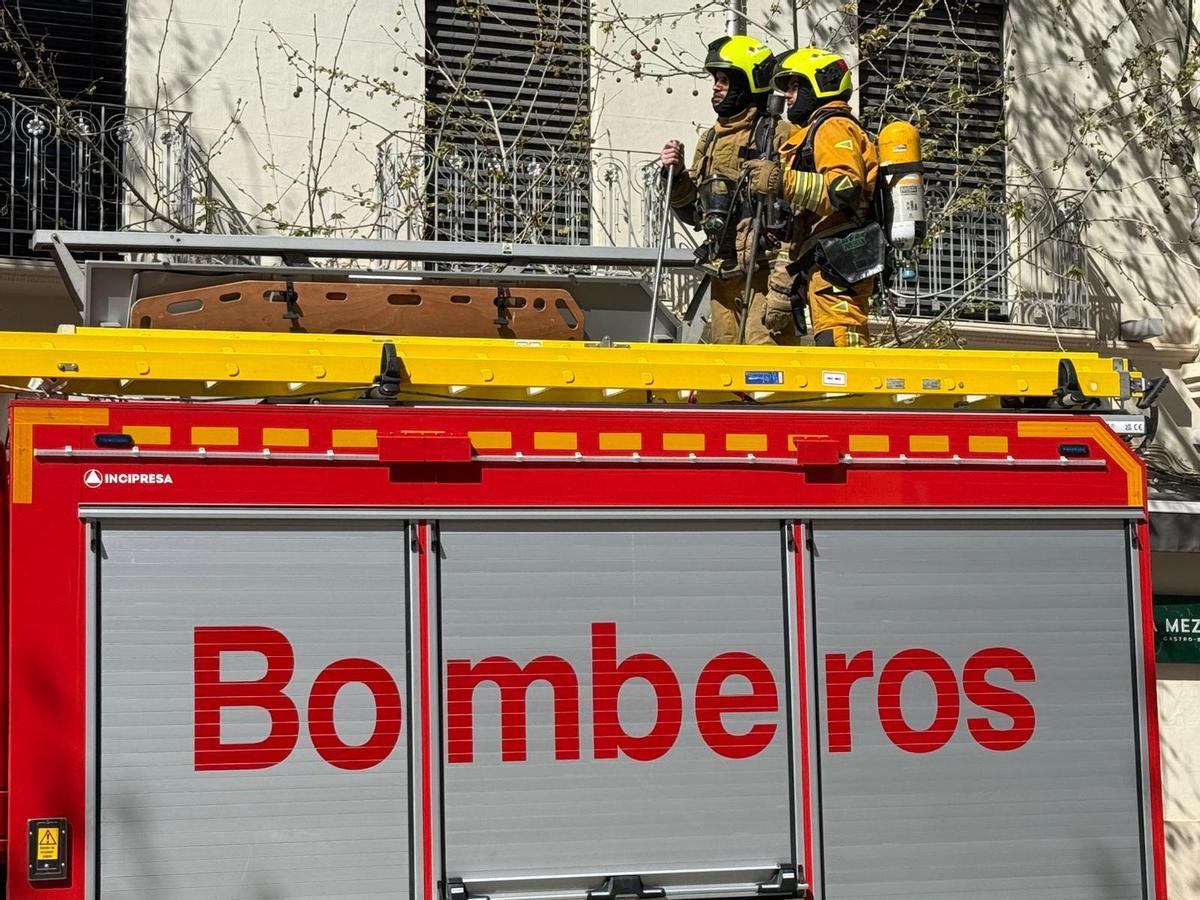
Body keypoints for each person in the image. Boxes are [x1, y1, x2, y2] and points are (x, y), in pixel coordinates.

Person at [659, 35, 795, 345]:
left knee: (766, 362)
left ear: (748, 83)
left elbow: (799, 211)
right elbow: (695, 212)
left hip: (764, 276)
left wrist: (784, 282)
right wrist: (675, 175)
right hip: (723, 273)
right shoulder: (710, 139)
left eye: (724, 80)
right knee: (724, 363)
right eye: (715, 80)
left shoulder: (779, 134)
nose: (716, 87)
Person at [746, 47, 880, 347]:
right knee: (828, 348)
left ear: (820, 84)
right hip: (826, 264)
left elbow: (844, 189)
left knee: (841, 350)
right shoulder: (813, 132)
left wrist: (781, 180)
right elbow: (801, 226)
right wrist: (781, 287)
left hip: (842, 262)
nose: (787, 95)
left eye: (795, 85)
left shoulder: (833, 126)